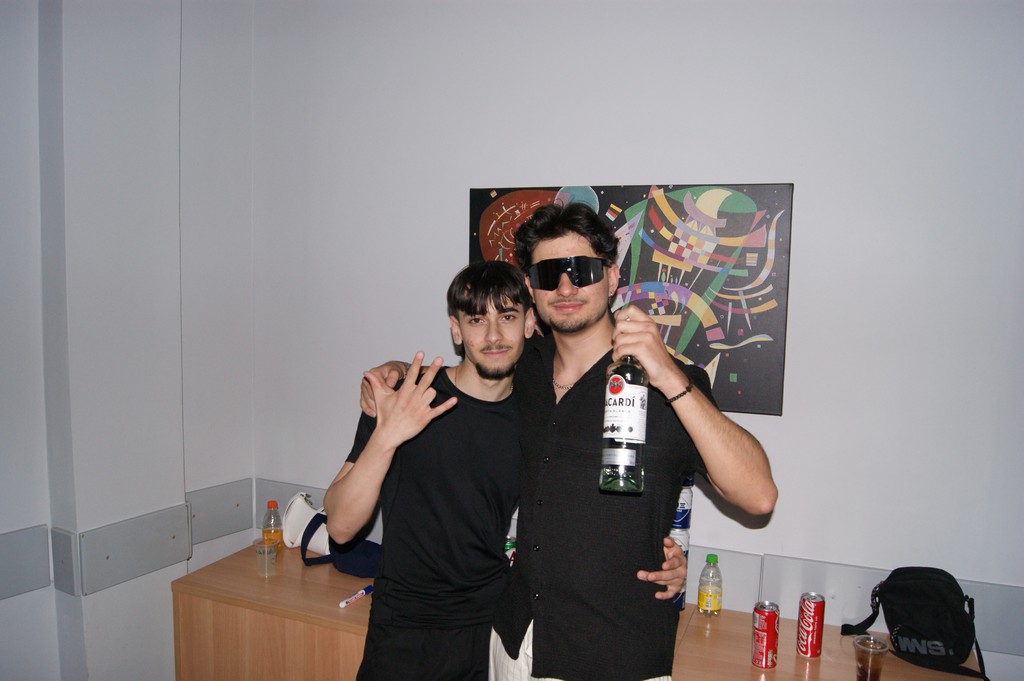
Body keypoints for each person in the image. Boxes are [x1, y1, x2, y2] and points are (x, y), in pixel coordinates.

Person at [486, 202, 778, 681]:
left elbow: (758, 496)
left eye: (582, 270)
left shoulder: (670, 384)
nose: (565, 288)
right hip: (518, 643)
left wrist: (668, 374)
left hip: (617, 653)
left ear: (612, 277)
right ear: (530, 287)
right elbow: (458, 385)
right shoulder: (522, 369)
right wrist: (393, 373)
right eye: (549, 274)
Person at [324, 261, 535, 681]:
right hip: (404, 630)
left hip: (490, 630)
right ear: (456, 330)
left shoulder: (536, 415)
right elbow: (341, 526)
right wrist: (388, 435)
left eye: (508, 317)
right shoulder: (406, 397)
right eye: (477, 320)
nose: (494, 336)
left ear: (529, 323)